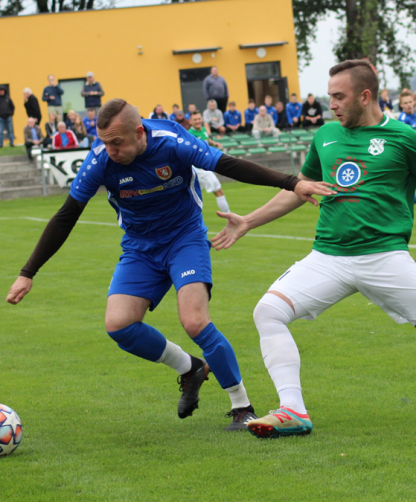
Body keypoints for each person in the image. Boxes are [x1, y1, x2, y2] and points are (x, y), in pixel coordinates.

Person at [210, 59, 416, 439]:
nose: (330, 104)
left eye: (339, 96)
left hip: (385, 256)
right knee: (268, 311)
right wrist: (249, 220)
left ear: (364, 96)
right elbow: (301, 190)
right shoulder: (325, 137)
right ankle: (293, 411)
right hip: (328, 257)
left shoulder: (405, 138)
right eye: (330, 96)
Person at [6, 98, 333, 432]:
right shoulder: (99, 160)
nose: (110, 150)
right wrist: (27, 273)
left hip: (184, 239)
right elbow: (66, 216)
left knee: (194, 321)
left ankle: (241, 405)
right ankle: (189, 368)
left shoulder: (172, 141)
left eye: (117, 142)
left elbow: (228, 164)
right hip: (139, 248)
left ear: (139, 132)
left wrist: (292, 183)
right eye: (104, 142)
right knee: (118, 325)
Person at [188, 109, 232, 214]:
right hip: (200, 169)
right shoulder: (190, 134)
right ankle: (230, 217)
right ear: (191, 121)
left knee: (193, 197)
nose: (198, 121)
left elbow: (207, 141)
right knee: (219, 191)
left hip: (203, 167)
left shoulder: (203, 130)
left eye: (199, 118)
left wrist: (215, 143)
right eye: (195, 119)